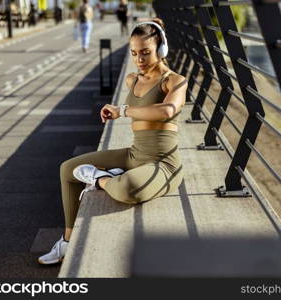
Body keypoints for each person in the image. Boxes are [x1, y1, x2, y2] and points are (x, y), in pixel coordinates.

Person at [38, 18, 188, 265]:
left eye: (146, 53)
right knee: (67, 169)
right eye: (134, 53)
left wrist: (123, 110)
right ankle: (67, 241)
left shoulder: (174, 80)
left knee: (127, 189)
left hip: (164, 165)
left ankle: (99, 179)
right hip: (135, 155)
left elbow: (166, 111)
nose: (139, 59)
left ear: (161, 50)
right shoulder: (132, 80)